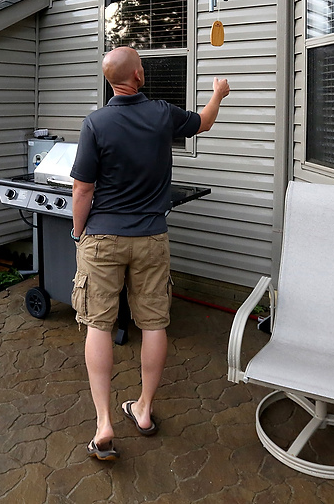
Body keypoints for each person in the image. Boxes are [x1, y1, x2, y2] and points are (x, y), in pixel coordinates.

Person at [69, 45, 230, 461]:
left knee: (99, 326)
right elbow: (206, 122)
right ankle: (143, 410)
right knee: (154, 323)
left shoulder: (96, 123)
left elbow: (83, 189)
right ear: (137, 77)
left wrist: (77, 232)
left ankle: (104, 422)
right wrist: (218, 93)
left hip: (102, 237)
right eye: (142, 67)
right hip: (152, 237)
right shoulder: (162, 113)